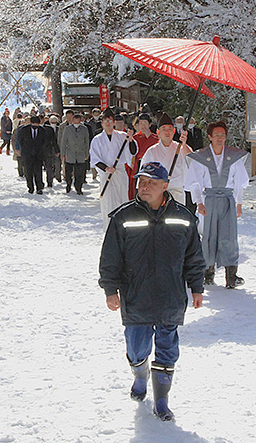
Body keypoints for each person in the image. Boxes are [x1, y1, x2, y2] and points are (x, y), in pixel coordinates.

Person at [98, 161, 204, 421]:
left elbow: (194, 256)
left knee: (168, 348)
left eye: (151, 182)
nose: (144, 187)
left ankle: (162, 400)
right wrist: (111, 289)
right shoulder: (123, 217)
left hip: (170, 295)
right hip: (136, 295)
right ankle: (139, 374)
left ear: (165, 186)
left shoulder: (183, 217)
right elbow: (110, 258)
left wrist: (197, 287)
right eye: (141, 181)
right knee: (137, 347)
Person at [185, 121, 249, 289]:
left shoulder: (233, 157)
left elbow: (240, 182)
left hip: (227, 199)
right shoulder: (202, 157)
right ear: (210, 137)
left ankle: (231, 275)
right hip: (209, 199)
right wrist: (199, 202)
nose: (220, 138)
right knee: (208, 235)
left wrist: (239, 203)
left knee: (229, 235)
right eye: (216, 135)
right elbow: (195, 183)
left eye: (222, 135)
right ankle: (207, 272)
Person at [90, 108, 138, 230]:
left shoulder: (123, 136)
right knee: (108, 202)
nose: (108, 123)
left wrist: (131, 139)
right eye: (105, 120)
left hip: (120, 172)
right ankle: (109, 229)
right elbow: (95, 159)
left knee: (122, 199)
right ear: (102, 123)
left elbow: (132, 151)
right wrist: (106, 168)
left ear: (114, 122)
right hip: (107, 174)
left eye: (110, 120)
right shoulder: (97, 139)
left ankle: (124, 228)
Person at [141, 113, 191, 204]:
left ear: (174, 131)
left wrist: (184, 144)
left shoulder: (181, 147)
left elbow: (192, 161)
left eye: (170, 129)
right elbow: (144, 174)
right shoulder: (151, 151)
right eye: (164, 129)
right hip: (157, 194)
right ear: (158, 132)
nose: (167, 132)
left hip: (177, 192)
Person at [129, 113, 159, 200]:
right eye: (141, 123)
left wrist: (149, 136)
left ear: (149, 124)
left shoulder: (155, 138)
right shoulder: (135, 137)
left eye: (145, 123)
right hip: (138, 165)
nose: (143, 126)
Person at [15, 115, 48, 194]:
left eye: (37, 124)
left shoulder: (42, 131)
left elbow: (45, 142)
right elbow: (20, 140)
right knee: (28, 172)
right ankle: (30, 187)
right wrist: (22, 150)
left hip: (38, 155)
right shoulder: (24, 130)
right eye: (33, 124)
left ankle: (39, 187)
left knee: (38, 171)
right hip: (27, 154)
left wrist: (42, 152)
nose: (35, 126)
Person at [60, 112, 91, 194]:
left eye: (78, 121)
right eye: (75, 121)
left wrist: (87, 153)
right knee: (68, 172)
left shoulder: (84, 129)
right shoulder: (67, 129)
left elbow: (87, 142)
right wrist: (62, 153)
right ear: (72, 120)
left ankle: (78, 187)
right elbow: (64, 142)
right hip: (70, 153)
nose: (76, 123)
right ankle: (68, 184)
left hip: (80, 153)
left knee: (79, 172)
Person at [42, 116, 59, 188]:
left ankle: (49, 182)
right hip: (40, 151)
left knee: (48, 167)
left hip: (47, 150)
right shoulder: (49, 129)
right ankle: (44, 182)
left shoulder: (48, 129)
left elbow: (54, 140)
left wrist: (56, 150)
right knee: (44, 167)